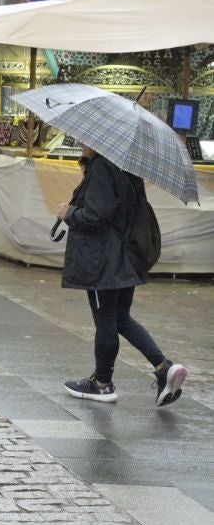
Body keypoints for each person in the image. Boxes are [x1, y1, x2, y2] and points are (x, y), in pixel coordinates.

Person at [57, 146, 189, 406]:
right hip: (125, 258)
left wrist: (68, 213)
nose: (82, 141)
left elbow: (95, 215)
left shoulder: (103, 167)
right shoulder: (126, 165)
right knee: (121, 318)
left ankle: (102, 384)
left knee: (105, 321)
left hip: (102, 261)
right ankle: (164, 369)